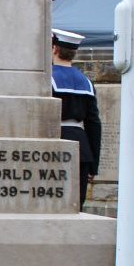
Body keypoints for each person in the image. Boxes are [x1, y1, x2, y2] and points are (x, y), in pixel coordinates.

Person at [51, 28, 102, 210]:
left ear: (54, 49)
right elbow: (94, 124)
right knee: (75, 207)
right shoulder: (86, 82)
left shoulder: (46, 79)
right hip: (82, 148)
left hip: (54, 143)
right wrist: (93, 165)